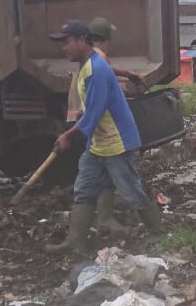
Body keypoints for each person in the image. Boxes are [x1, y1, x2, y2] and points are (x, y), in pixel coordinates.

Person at [46, 19, 160, 255]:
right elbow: (94, 107)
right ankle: (75, 241)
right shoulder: (87, 66)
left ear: (81, 40)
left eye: (67, 42)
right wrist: (81, 113)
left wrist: (68, 134)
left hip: (117, 142)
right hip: (99, 142)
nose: (63, 48)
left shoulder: (96, 69)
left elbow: (96, 112)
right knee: (85, 188)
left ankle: (160, 234)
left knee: (130, 192)